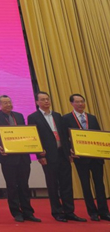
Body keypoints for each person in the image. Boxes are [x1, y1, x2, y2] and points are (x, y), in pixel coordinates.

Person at [27, 91, 86, 222]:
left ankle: (69, 211)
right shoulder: (33, 117)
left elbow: (64, 135)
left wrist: (69, 152)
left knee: (67, 184)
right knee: (53, 185)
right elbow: (34, 137)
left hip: (63, 154)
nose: (46, 101)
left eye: (47, 99)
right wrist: (39, 155)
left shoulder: (57, 115)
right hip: (48, 156)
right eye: (43, 99)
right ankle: (57, 212)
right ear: (37, 102)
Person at [0, 95, 40, 222]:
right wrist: (0, 146)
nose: (8, 104)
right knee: (12, 186)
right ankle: (16, 212)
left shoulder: (19, 116)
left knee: (24, 185)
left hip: (23, 157)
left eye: (9, 102)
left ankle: (28, 212)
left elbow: (25, 133)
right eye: (5, 103)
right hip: (8, 158)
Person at [61, 93, 110, 221]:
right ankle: (92, 212)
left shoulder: (92, 118)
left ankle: (104, 212)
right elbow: (64, 138)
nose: (80, 104)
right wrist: (70, 151)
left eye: (82, 101)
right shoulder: (66, 118)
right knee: (85, 185)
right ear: (72, 103)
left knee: (100, 184)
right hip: (80, 158)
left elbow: (99, 136)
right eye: (77, 102)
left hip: (96, 157)